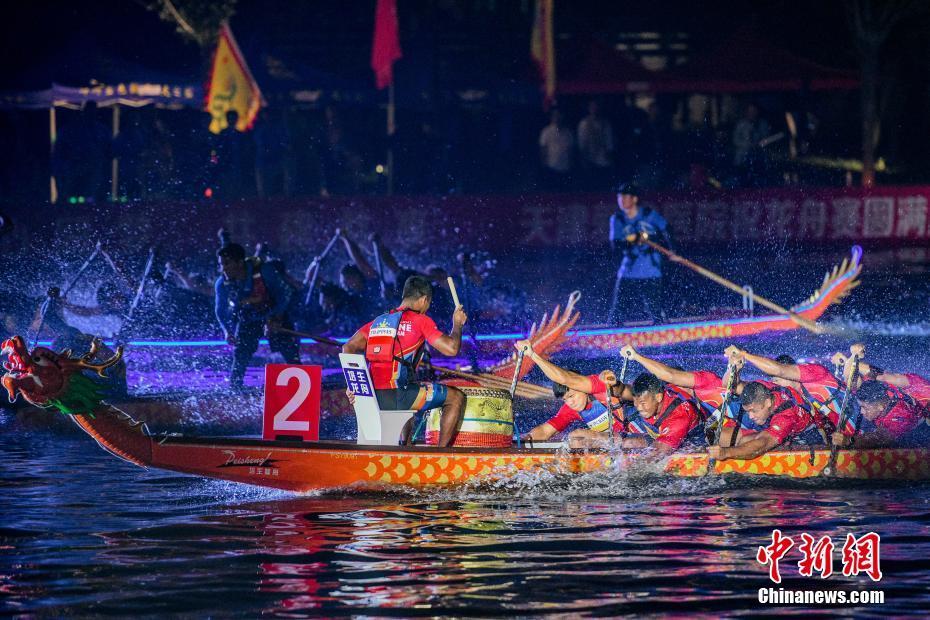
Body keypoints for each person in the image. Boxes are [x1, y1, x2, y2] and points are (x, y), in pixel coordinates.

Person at [341, 275, 467, 447]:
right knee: (456, 397)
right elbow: (451, 349)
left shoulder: (379, 322)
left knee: (411, 385)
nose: (427, 308)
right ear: (423, 300)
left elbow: (348, 347)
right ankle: (441, 454)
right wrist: (457, 324)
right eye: (428, 304)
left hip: (372, 397)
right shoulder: (421, 321)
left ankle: (405, 446)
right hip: (399, 396)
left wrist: (355, 384)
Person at [214, 243, 300, 390]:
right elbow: (220, 311)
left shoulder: (265, 271)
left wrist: (275, 318)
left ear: (240, 262)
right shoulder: (222, 283)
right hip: (248, 319)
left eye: (227, 264)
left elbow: (285, 294)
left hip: (274, 315)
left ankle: (305, 386)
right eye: (221, 264)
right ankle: (234, 391)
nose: (223, 269)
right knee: (240, 355)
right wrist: (227, 331)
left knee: (290, 352)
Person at [516, 339, 624, 447]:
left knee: (576, 435)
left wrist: (532, 354)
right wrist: (525, 440)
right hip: (615, 444)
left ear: (582, 388)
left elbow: (565, 378)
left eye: (571, 396)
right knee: (575, 439)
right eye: (565, 399)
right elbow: (546, 431)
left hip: (634, 436)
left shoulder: (599, 385)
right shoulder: (571, 408)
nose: (570, 402)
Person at [608, 181, 670, 323]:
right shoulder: (617, 219)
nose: (622, 201)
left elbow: (667, 229)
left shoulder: (648, 215)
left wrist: (672, 251)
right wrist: (632, 240)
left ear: (634, 199)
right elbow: (615, 245)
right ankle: (614, 334)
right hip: (629, 270)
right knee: (618, 311)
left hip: (650, 269)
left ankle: (662, 332)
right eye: (620, 197)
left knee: (655, 310)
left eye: (625, 197)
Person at [708, 380, 813, 462]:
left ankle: (780, 444)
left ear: (768, 402)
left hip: (796, 433)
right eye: (748, 411)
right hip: (767, 421)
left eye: (753, 411)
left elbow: (762, 443)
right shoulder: (760, 388)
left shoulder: (786, 416)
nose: (751, 416)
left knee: (745, 442)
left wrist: (726, 453)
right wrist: (735, 367)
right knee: (713, 435)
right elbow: (731, 384)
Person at [830, 380, 923, 449]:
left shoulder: (900, 415)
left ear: (880, 406)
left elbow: (880, 438)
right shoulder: (882, 404)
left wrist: (848, 441)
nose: (862, 412)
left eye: (864, 407)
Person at [577, 99, 614, 190]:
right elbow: (581, 143)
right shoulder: (584, 124)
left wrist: (609, 155)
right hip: (590, 160)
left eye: (596, 107)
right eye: (592, 107)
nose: (594, 109)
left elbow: (609, 142)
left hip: (603, 161)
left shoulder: (605, 124)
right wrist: (584, 159)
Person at [538, 107, 575, 191]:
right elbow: (543, 149)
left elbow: (571, 150)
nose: (557, 117)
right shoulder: (546, 131)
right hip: (551, 167)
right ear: (551, 117)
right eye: (555, 115)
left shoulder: (568, 132)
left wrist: (570, 164)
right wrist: (544, 166)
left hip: (565, 168)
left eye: (559, 115)